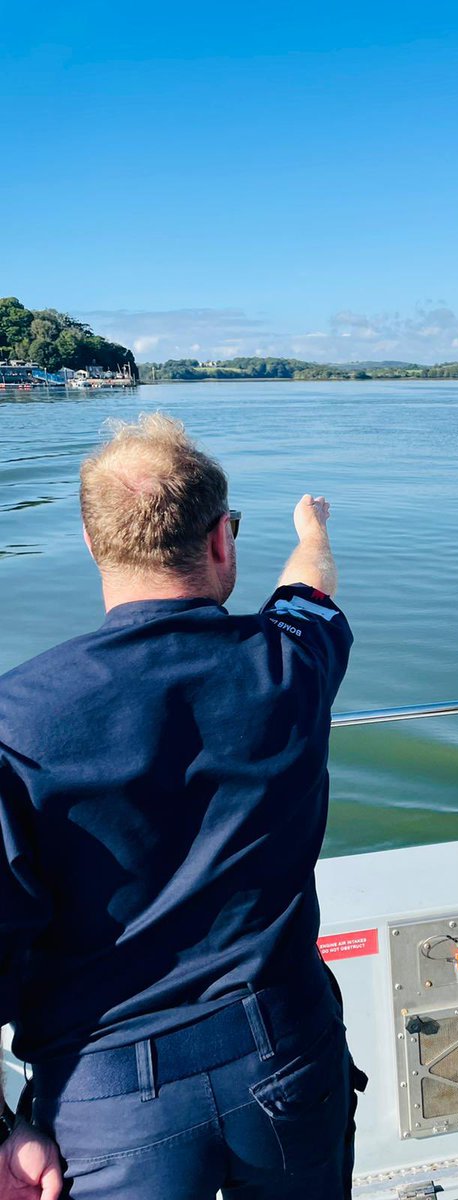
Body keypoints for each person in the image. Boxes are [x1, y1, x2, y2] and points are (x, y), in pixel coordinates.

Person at [0, 413, 363, 1200]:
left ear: (95, 544)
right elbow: (311, 582)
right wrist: (313, 524)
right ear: (223, 542)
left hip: (109, 1099)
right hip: (288, 1057)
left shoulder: (13, 725)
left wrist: (5, 1130)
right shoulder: (290, 661)